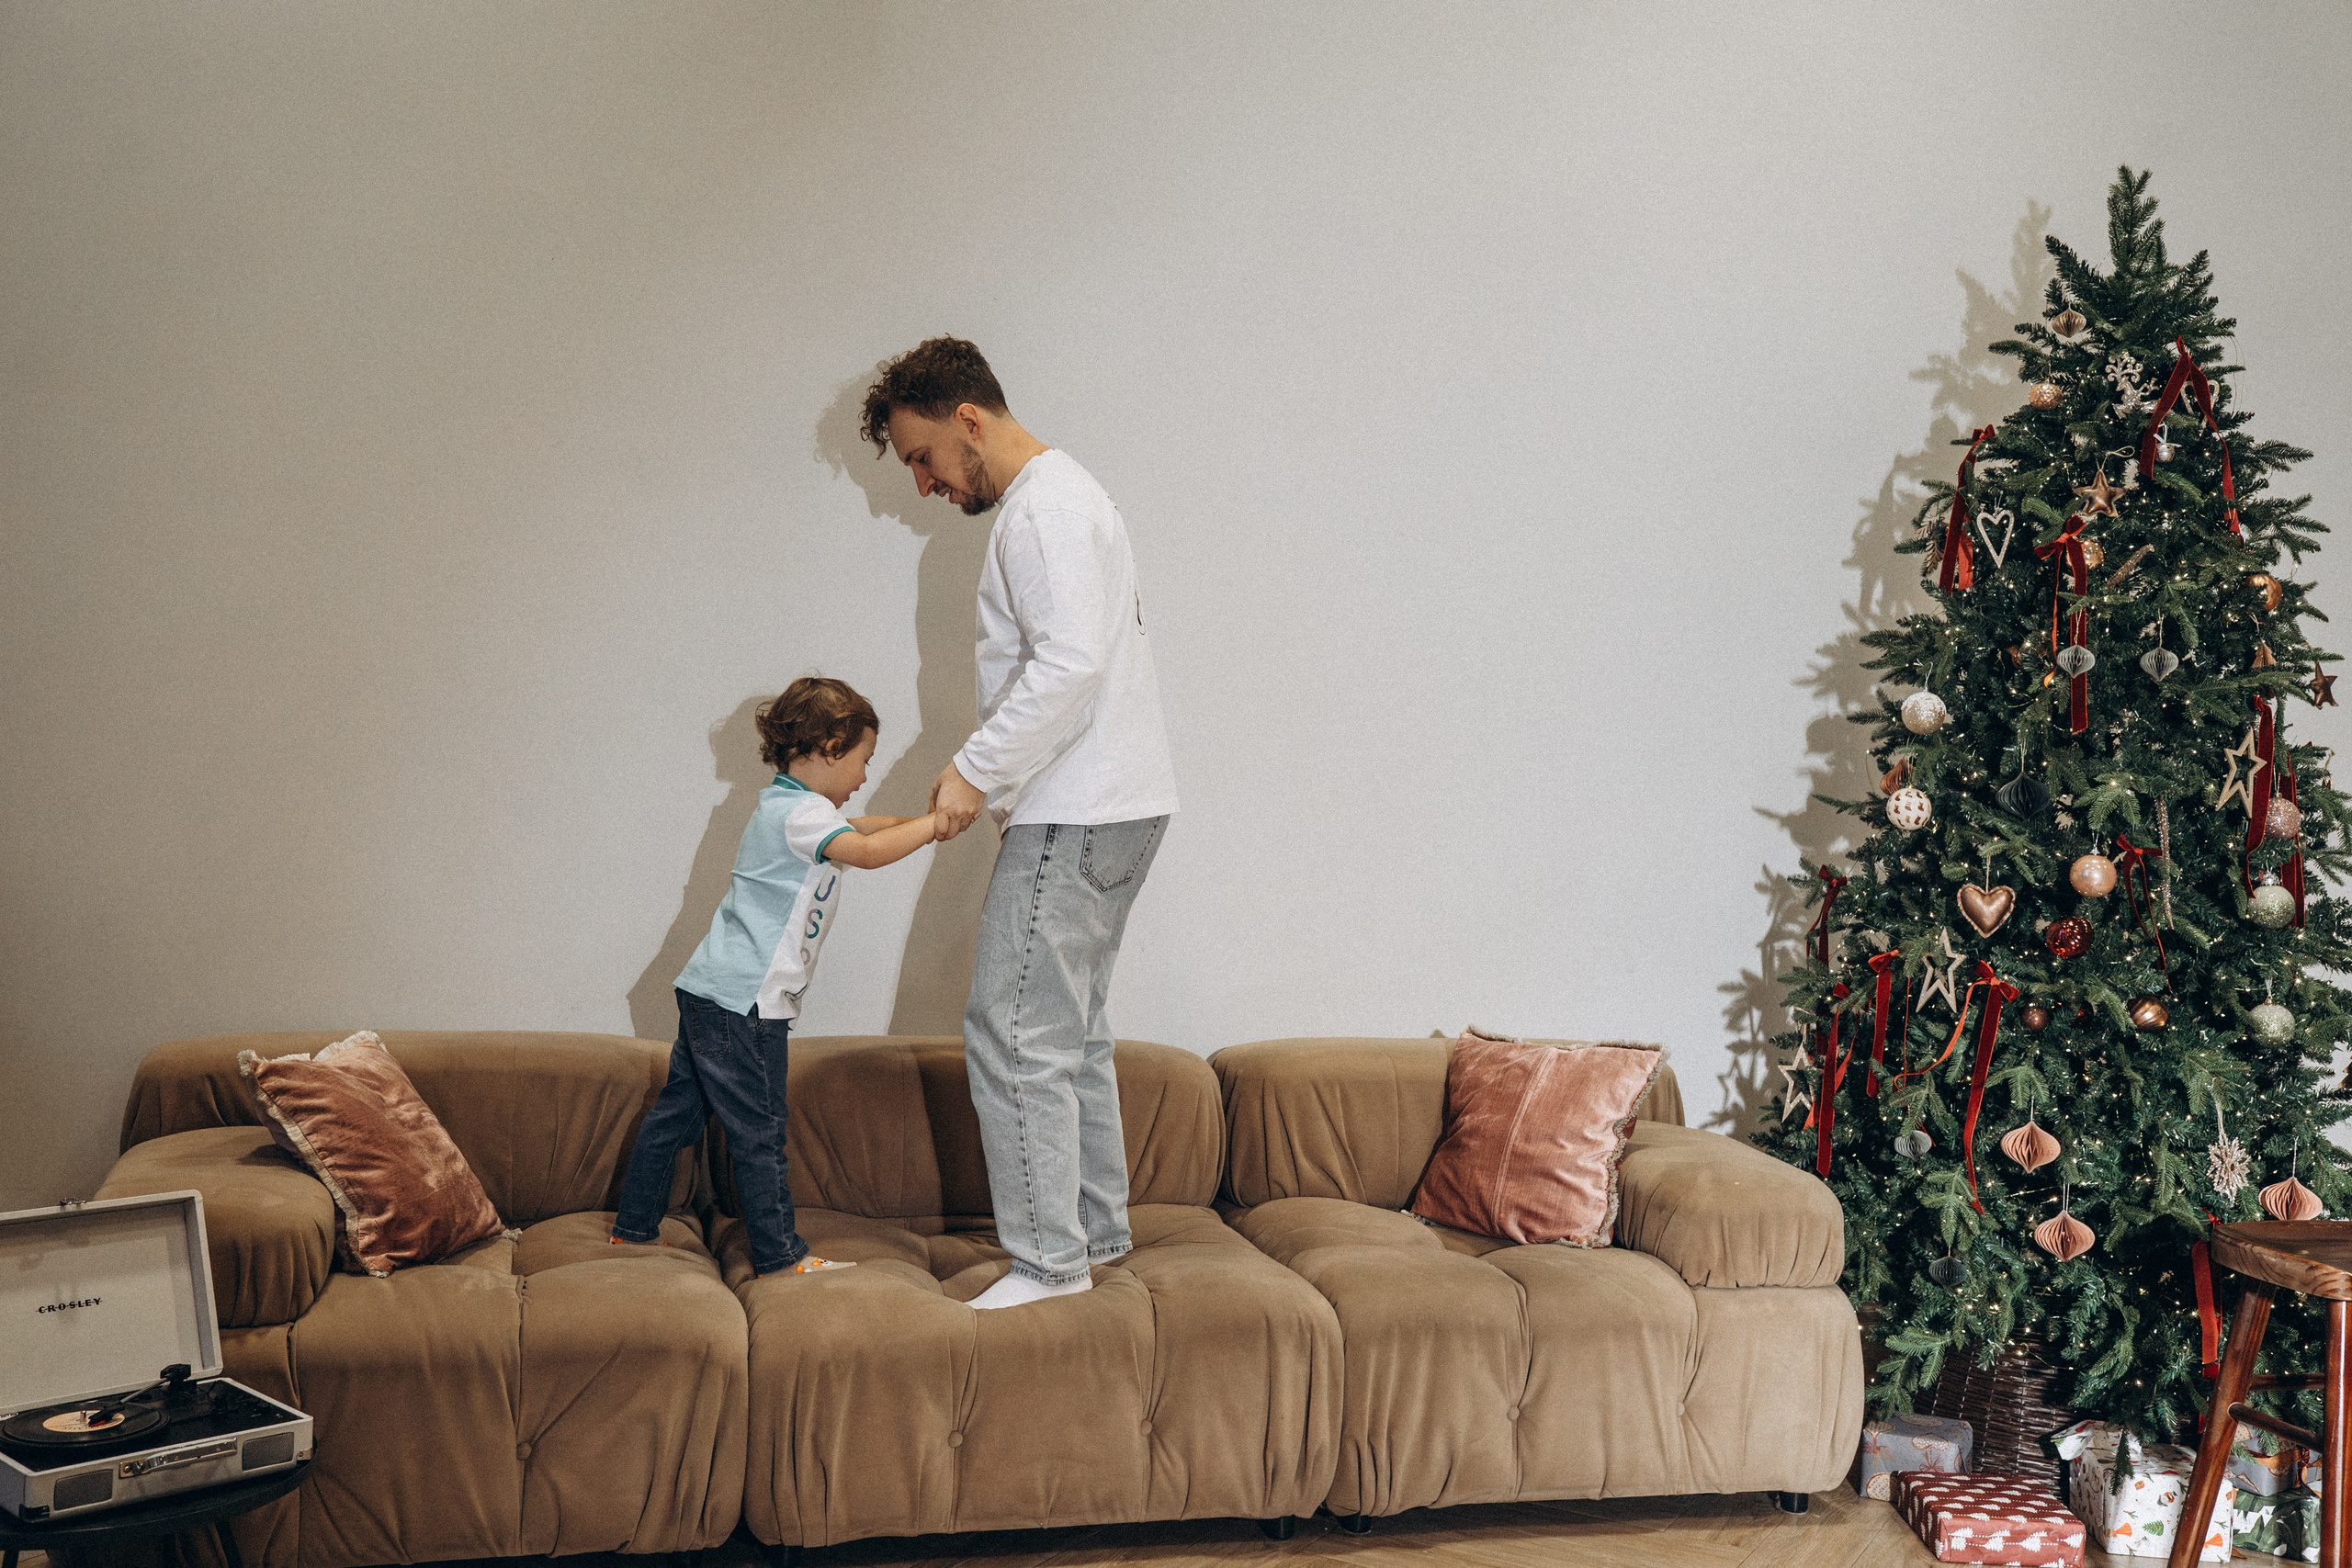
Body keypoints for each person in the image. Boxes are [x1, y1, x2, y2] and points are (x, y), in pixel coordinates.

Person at [859, 337, 1179, 1310]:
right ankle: (1096, 1234)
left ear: (969, 420)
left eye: (923, 457)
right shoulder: (1072, 496)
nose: (923, 483)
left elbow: (1070, 665)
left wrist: (974, 771)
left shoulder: (1044, 507)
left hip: (1079, 807)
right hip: (1116, 803)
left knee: (1012, 1031)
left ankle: (1048, 1265)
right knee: (1068, 1032)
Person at [609, 677, 944, 1276]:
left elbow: (866, 828)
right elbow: (867, 853)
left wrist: (921, 819)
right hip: (746, 1002)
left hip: (712, 991)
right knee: (759, 1131)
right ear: (832, 747)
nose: (864, 776)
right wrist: (937, 827)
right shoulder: (803, 816)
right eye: (864, 759)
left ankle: (632, 1230)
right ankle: (779, 1255)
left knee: (678, 1116)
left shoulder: (789, 808)